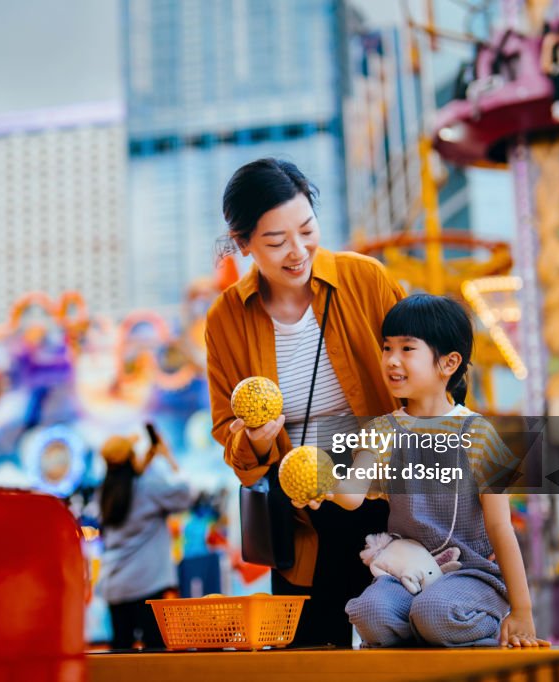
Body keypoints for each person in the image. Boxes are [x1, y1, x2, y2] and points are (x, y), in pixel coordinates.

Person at [205, 158, 406, 647]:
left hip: (385, 497)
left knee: (400, 643)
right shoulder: (226, 317)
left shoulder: (366, 281)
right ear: (243, 242)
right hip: (300, 516)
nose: (297, 252)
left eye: (307, 230)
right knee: (311, 652)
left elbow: (421, 383)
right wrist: (252, 437)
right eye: (275, 242)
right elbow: (225, 426)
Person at [309, 294, 550, 648]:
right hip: (407, 573)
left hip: (470, 574)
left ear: (448, 362)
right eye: (387, 348)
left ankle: (465, 631)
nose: (391, 360)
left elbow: (500, 527)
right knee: (368, 614)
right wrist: (320, 485)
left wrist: (523, 609)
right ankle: (431, 636)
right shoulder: (383, 429)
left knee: (433, 614)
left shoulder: (479, 433)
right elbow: (351, 494)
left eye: (407, 349)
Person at [96, 429, 192, 650]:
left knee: (121, 654)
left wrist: (149, 457)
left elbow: (133, 478)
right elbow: (185, 494)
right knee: (154, 654)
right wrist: (167, 456)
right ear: (131, 458)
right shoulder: (147, 488)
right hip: (148, 583)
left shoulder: (105, 492)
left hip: (116, 586)